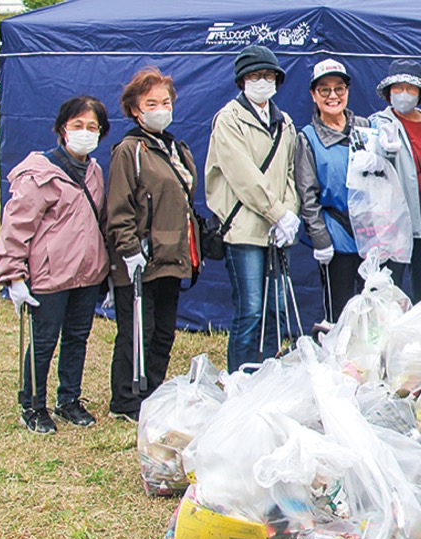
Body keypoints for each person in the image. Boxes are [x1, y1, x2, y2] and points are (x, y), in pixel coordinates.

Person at [0, 96, 110, 433]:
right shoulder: (40, 174)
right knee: (44, 342)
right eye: (78, 125)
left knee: (77, 338)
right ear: (63, 129)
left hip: (87, 274)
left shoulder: (95, 172)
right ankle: (32, 405)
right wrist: (14, 276)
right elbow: (16, 227)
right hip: (49, 276)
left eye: (92, 127)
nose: (85, 132)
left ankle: (68, 400)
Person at [106, 68, 200, 423]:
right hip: (140, 257)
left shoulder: (175, 148)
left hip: (172, 255)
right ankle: (126, 399)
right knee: (137, 331)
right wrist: (130, 250)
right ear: (135, 109)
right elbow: (119, 208)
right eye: (151, 104)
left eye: (165, 102)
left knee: (162, 331)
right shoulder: (129, 151)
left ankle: (153, 393)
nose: (160, 109)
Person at [204, 45, 299, 372]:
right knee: (251, 310)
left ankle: (267, 376)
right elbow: (242, 174)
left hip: (276, 231)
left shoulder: (284, 123)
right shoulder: (229, 120)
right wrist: (277, 213)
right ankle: (240, 378)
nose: (263, 82)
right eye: (256, 76)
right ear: (242, 81)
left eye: (269, 76)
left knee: (276, 310)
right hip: (244, 228)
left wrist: (290, 213)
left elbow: (289, 173)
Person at [295, 59, 380, 322]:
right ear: (313, 94)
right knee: (340, 312)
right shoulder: (308, 138)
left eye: (339, 88)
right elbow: (308, 197)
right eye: (325, 89)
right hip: (336, 235)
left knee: (374, 309)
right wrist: (321, 240)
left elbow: (384, 182)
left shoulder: (366, 128)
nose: (333, 96)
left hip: (370, 235)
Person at [369, 59, 421, 303]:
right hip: (395, 223)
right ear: (389, 92)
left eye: (410, 88)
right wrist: (382, 149)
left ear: (419, 93)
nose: (404, 93)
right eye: (398, 88)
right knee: (389, 291)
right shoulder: (379, 123)